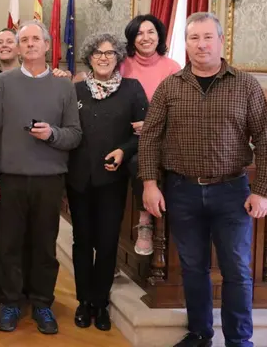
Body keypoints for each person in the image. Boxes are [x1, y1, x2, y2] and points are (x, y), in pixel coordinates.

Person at [139, 12, 267, 347]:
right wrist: (150, 184)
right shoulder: (170, 86)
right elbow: (150, 138)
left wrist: (263, 190)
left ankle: (239, 340)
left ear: (221, 41)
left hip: (232, 192)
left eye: (207, 37)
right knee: (192, 268)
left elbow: (266, 139)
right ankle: (200, 333)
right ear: (186, 44)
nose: (201, 45)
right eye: (194, 38)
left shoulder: (246, 85)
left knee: (237, 270)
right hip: (182, 191)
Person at [0, 19, 82, 334]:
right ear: (18, 47)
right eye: (24, 40)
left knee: (44, 246)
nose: (29, 44)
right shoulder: (4, 83)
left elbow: (75, 134)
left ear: (47, 45)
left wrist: (52, 134)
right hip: (10, 179)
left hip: (49, 180)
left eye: (35, 39)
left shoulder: (64, 86)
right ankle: (11, 302)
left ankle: (42, 303)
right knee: (9, 245)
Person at [66, 34, 148, 331]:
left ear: (118, 57)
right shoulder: (74, 90)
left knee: (107, 242)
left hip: (112, 179)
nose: (103, 58)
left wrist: (124, 151)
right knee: (82, 241)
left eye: (110, 53)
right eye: (98, 53)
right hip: (78, 179)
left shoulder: (132, 89)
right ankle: (83, 301)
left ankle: (100, 303)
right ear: (89, 57)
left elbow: (144, 132)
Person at [121, 14, 182, 256]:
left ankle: (146, 221)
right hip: (126, 134)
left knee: (142, 160)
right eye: (139, 33)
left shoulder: (172, 68)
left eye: (151, 32)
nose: (145, 38)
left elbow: (179, 109)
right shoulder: (122, 65)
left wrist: (150, 126)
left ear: (159, 36)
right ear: (131, 38)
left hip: (162, 136)